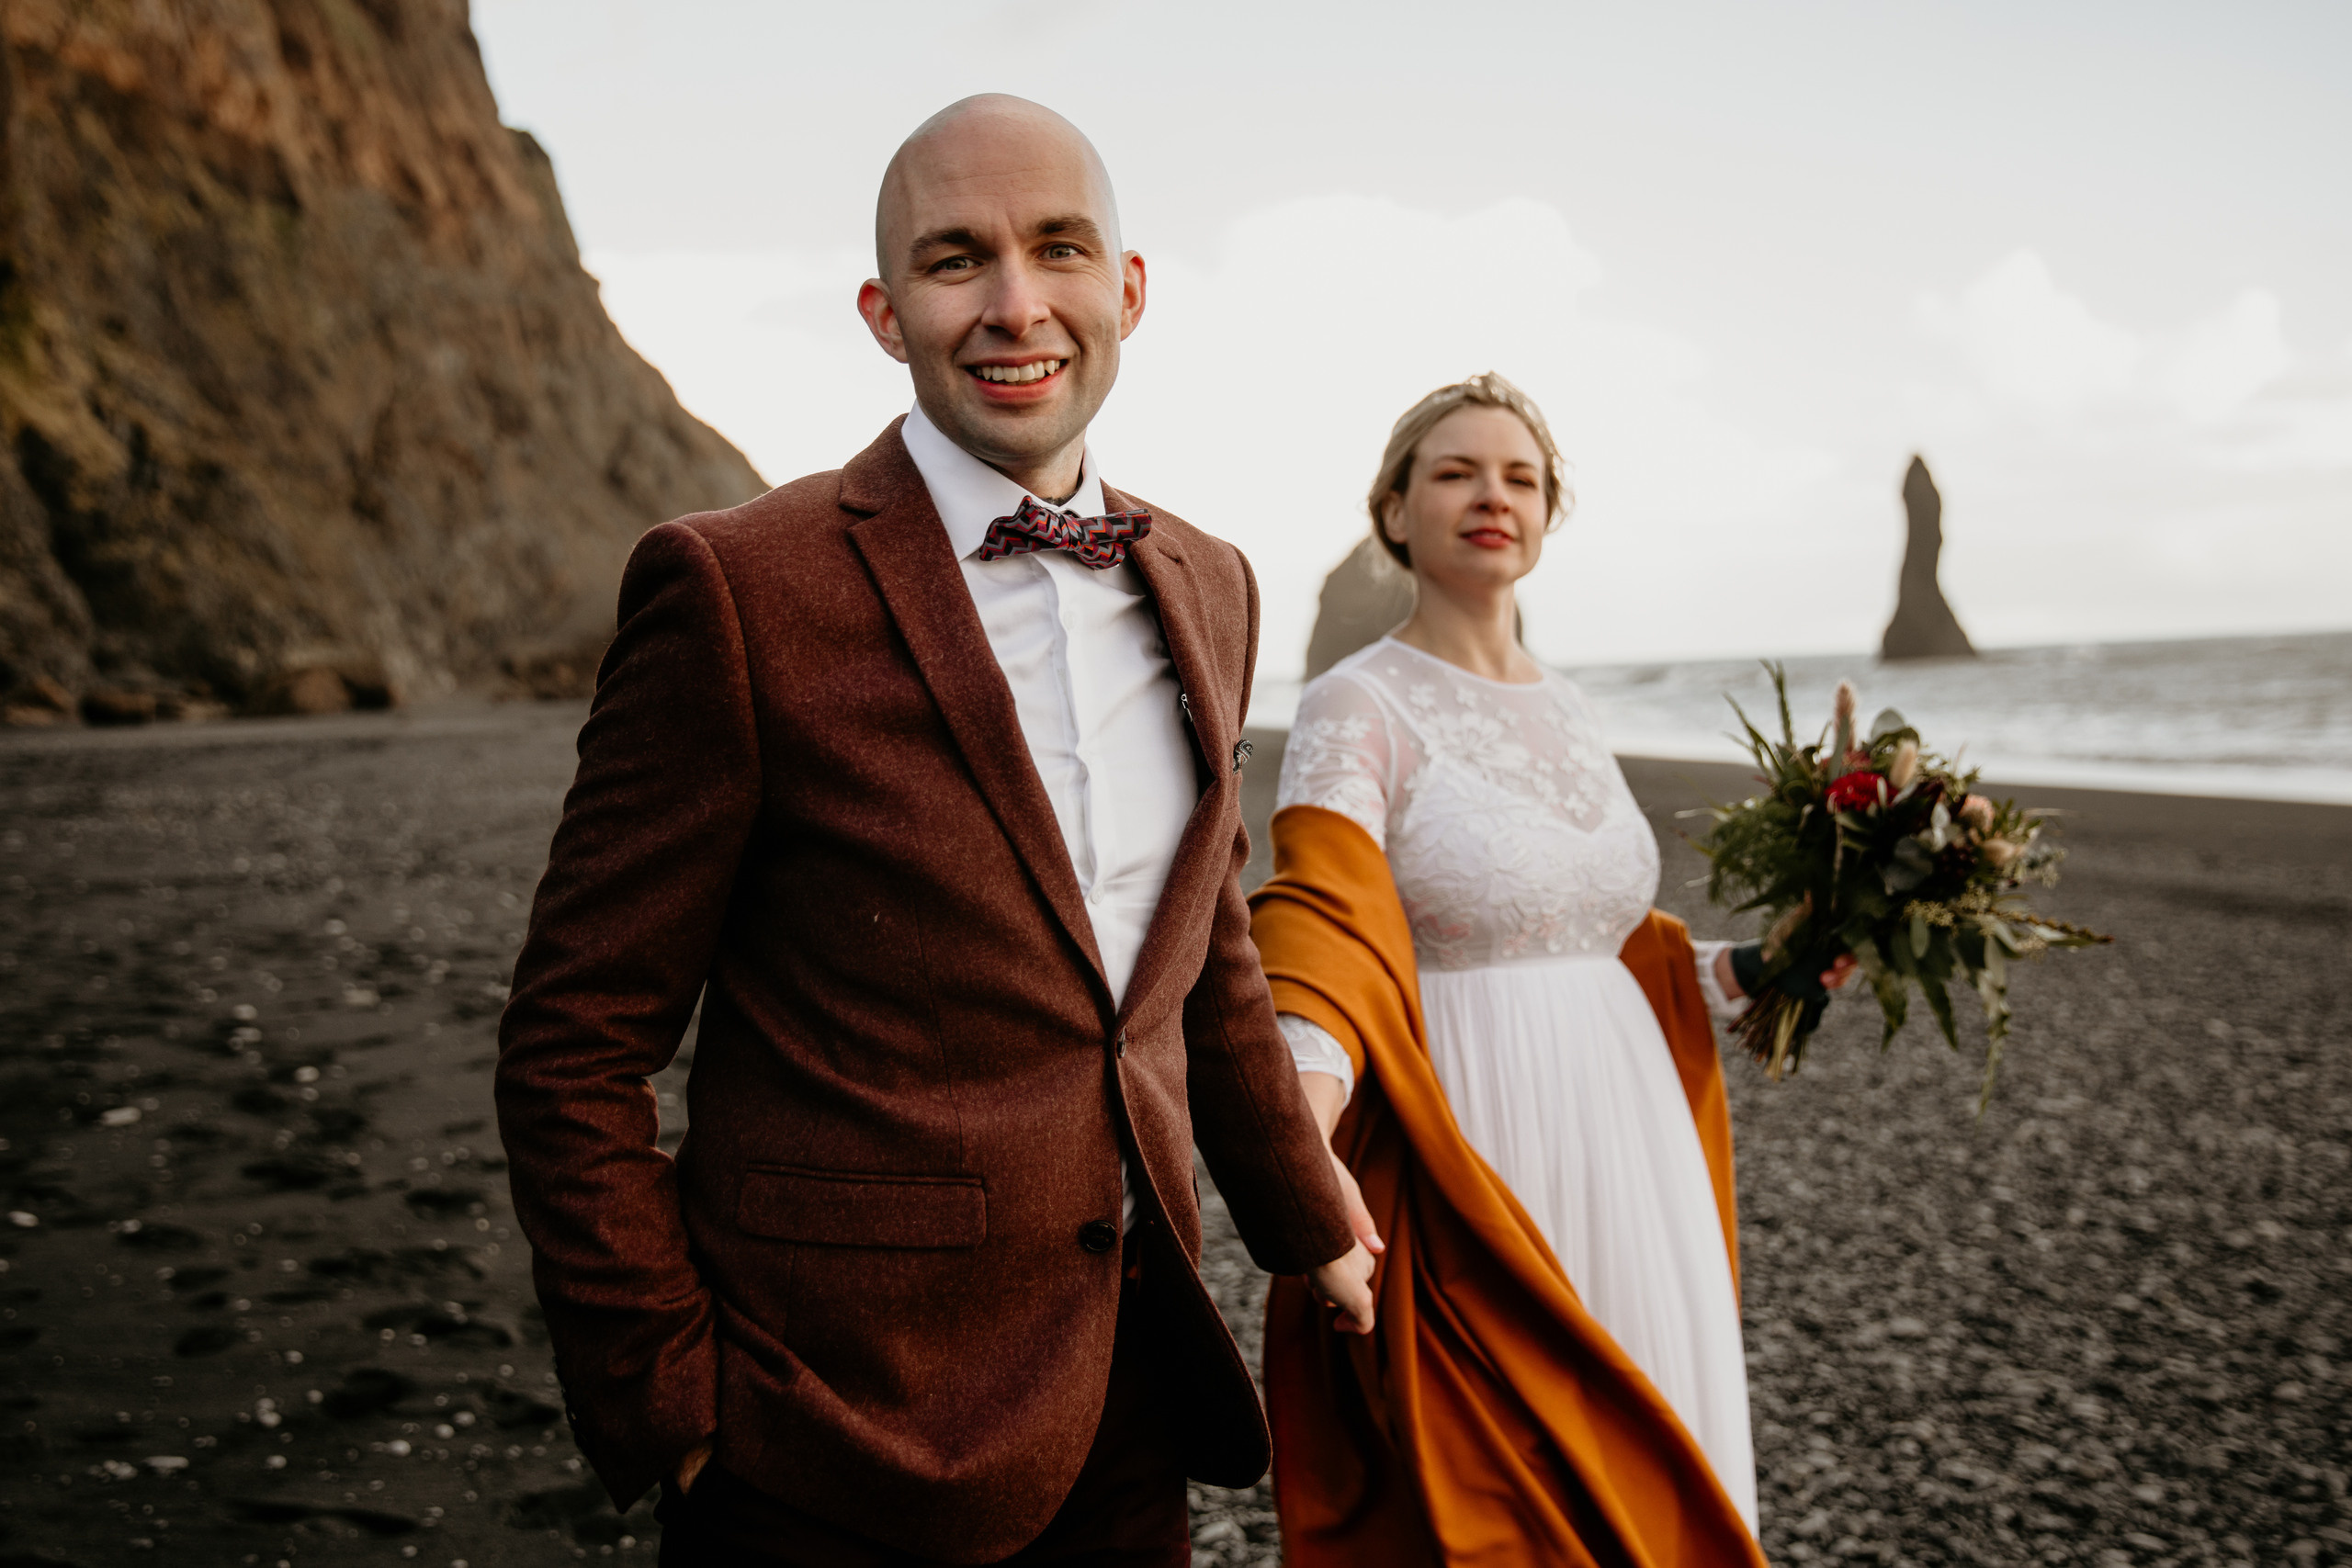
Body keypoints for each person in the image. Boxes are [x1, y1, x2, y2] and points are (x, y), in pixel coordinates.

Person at [494, 95, 1376, 1568]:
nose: (1014, 305)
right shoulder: (734, 589)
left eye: (1059, 250)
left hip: (1131, 1396)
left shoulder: (1210, 582)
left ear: (1130, 289)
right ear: (883, 310)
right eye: (956, 260)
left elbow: (1201, 958)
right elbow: (574, 1038)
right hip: (826, 1433)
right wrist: (672, 1399)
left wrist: (1312, 1222)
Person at [1250, 373, 1850, 1564]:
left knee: (1654, 1448)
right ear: (1395, 510)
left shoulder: (1573, 708)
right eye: (1457, 472)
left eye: (1521, 478)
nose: (1493, 497)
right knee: (1510, 1490)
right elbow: (1319, 918)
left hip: (1639, 1151)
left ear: (1547, 515)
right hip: (1476, 1139)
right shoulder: (1353, 706)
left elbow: (1615, 944)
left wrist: (1788, 949)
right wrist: (1300, 1142)